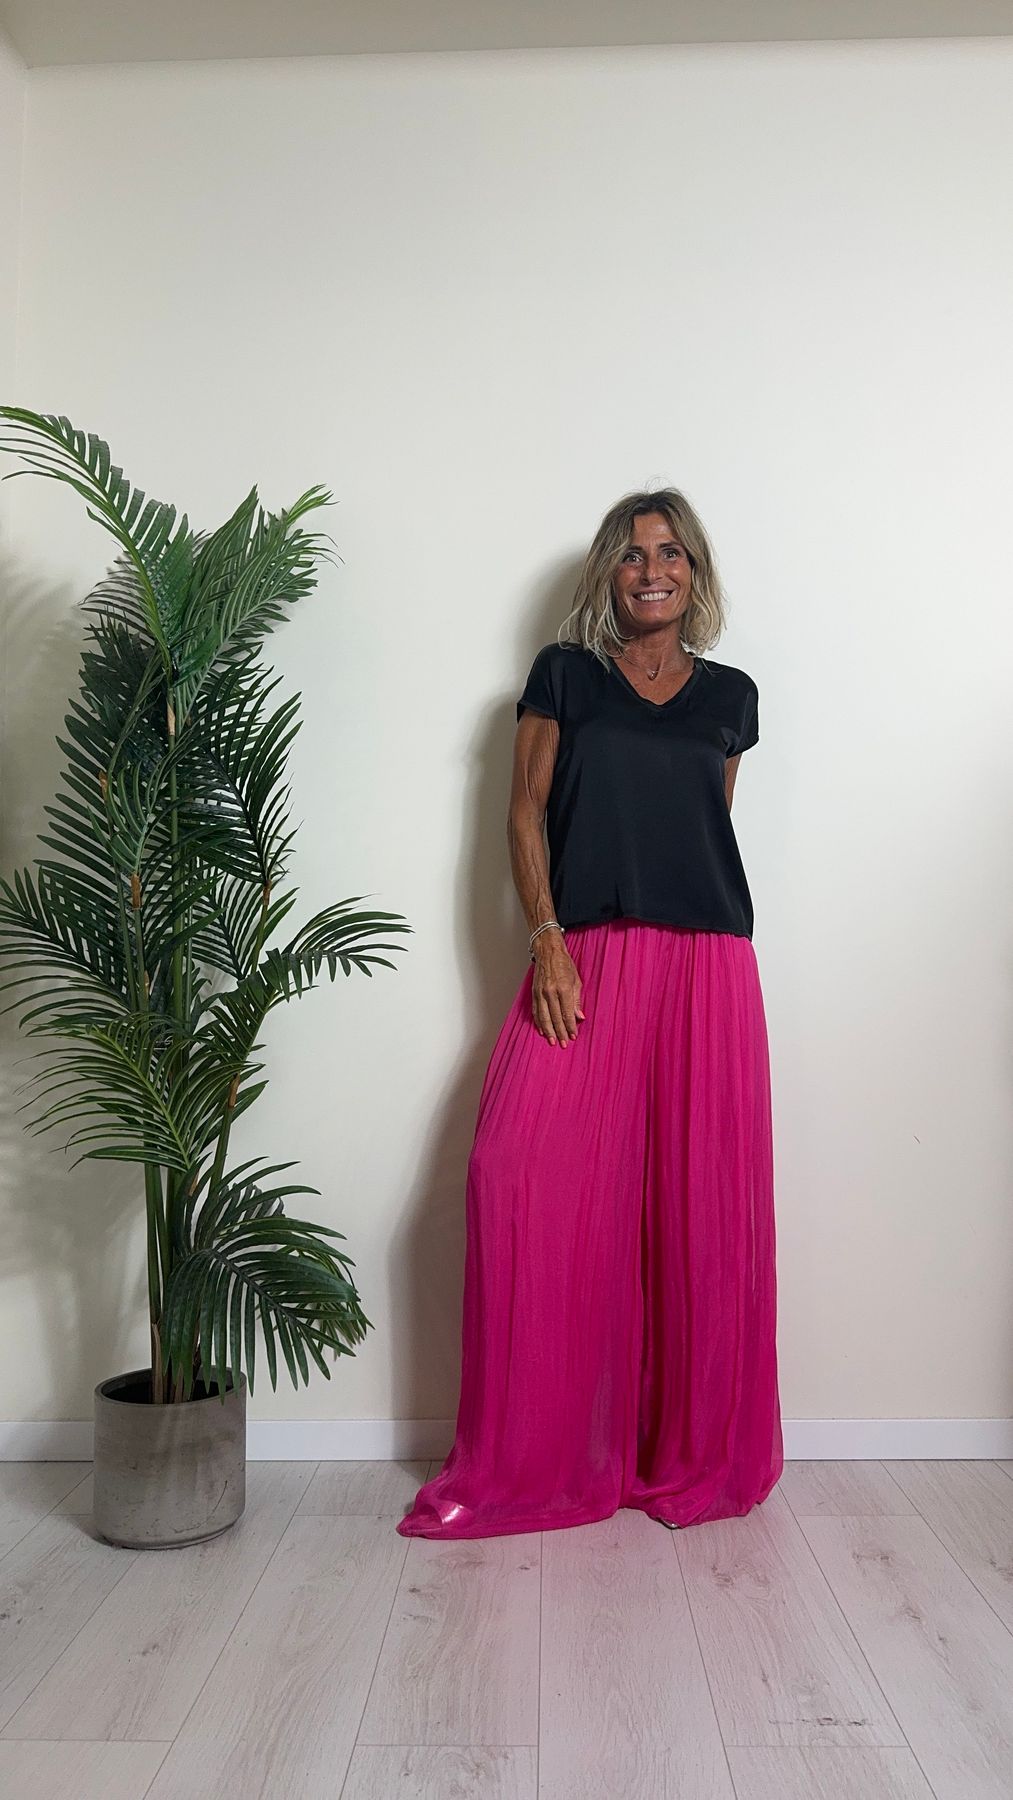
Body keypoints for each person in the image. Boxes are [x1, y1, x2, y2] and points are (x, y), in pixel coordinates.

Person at [397, 488, 784, 1540]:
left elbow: (701, 827)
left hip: (708, 968)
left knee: (694, 1213)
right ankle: (542, 1455)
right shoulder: (564, 676)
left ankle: (682, 1454)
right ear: (607, 574)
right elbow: (523, 812)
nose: (651, 570)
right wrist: (547, 939)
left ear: (694, 572)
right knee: (514, 1176)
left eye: (670, 553)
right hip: (587, 957)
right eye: (631, 554)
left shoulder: (732, 697)